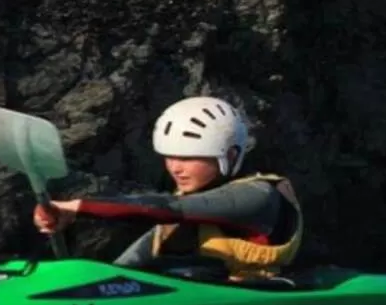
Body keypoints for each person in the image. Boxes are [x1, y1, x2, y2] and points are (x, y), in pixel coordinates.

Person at [32, 97, 303, 282]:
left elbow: (167, 209)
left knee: (194, 269)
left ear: (229, 156)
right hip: (198, 298)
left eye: (187, 158)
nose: (175, 168)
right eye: (169, 157)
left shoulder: (256, 196)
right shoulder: (179, 212)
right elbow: (126, 269)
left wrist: (77, 207)